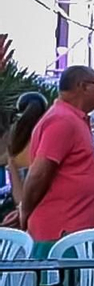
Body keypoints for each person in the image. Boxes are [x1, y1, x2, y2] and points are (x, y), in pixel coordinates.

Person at [18, 68, 94, 248]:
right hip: (61, 236)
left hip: (71, 234)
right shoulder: (62, 120)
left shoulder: (73, 119)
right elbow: (39, 173)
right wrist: (25, 211)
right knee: (63, 277)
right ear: (83, 86)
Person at [5, 91, 48, 220]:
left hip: (22, 208)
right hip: (44, 208)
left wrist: (20, 209)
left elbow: (18, 195)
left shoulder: (15, 138)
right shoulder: (45, 135)